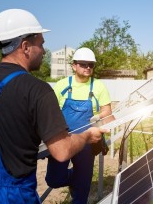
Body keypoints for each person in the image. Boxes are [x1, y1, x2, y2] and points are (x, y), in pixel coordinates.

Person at [0, 9, 107, 203]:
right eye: (41, 44)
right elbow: (62, 151)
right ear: (26, 46)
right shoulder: (38, 90)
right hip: (12, 196)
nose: (44, 51)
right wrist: (87, 135)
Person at [45, 47, 114, 204]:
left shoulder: (98, 86)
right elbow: (50, 112)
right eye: (83, 64)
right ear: (74, 65)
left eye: (91, 64)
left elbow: (107, 111)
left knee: (83, 188)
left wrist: (104, 118)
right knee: (54, 180)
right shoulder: (62, 85)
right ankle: (76, 179)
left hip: (88, 142)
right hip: (63, 140)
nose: (88, 67)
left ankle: (80, 183)